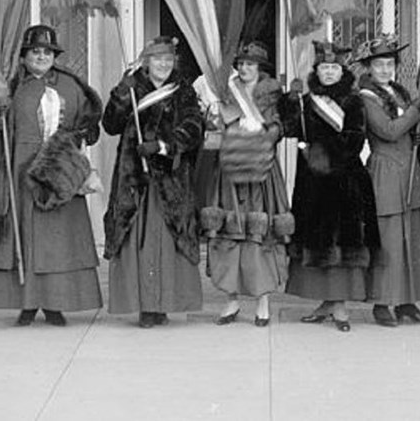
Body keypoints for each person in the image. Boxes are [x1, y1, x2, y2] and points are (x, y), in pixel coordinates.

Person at [0, 24, 104, 327]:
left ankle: (56, 304)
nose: (41, 56)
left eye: (47, 51)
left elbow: (92, 124)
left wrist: (80, 139)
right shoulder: (10, 84)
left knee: (59, 240)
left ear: (53, 55)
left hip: (59, 170)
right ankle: (27, 304)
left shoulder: (71, 85)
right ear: (25, 56)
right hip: (20, 172)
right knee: (26, 237)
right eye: (35, 51)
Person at [102, 36, 205, 328]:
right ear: (146, 62)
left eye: (168, 60)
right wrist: (121, 92)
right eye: (157, 59)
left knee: (167, 240)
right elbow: (109, 125)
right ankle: (146, 306)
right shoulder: (133, 88)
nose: (163, 64)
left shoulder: (183, 91)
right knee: (138, 241)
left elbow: (194, 126)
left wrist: (163, 145)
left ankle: (166, 304)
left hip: (170, 178)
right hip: (134, 177)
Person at [281, 41, 378, 332]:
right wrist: (290, 102)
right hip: (312, 184)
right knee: (318, 242)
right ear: (317, 70)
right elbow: (290, 130)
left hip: (343, 181)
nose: (329, 72)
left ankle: (340, 306)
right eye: (324, 67)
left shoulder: (353, 102)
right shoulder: (306, 101)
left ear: (342, 70)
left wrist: (320, 154)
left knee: (340, 242)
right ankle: (325, 301)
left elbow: (354, 140)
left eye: (334, 67)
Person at [353, 35, 420, 328]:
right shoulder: (366, 98)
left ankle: (407, 302)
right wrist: (416, 111)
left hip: (408, 171)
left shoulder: (399, 93)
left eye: (389, 64)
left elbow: (409, 129)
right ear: (369, 67)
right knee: (389, 240)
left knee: (411, 240)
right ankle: (381, 302)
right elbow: (389, 130)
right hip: (386, 171)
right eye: (378, 64)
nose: (384, 69)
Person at [206, 41, 289, 327]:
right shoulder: (225, 91)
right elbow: (215, 123)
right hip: (230, 168)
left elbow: (281, 126)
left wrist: (266, 131)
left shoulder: (272, 94)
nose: (244, 68)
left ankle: (262, 300)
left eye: (250, 64)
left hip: (261, 171)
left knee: (259, 234)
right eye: (241, 63)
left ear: (259, 68)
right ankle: (231, 300)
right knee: (231, 234)